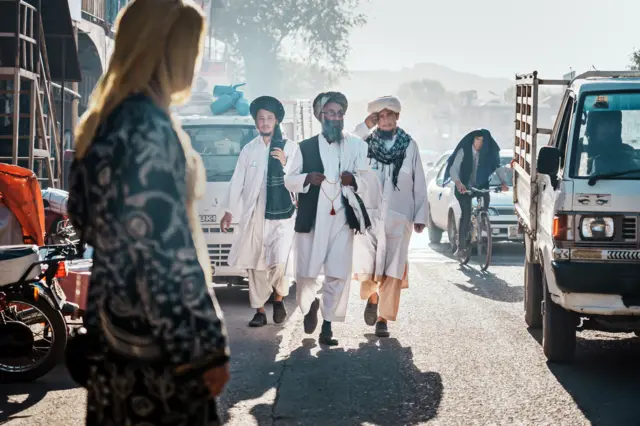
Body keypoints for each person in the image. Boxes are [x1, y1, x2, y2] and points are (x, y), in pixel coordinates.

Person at [67, 1, 230, 424]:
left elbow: (83, 219)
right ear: (168, 51)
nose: (193, 65)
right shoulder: (148, 130)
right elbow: (165, 253)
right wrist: (205, 348)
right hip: (157, 350)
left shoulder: (105, 122)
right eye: (190, 50)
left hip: (114, 337)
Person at [284, 91, 371, 346]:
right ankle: (310, 305)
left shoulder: (356, 145)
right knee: (307, 274)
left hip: (342, 220)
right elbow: (289, 179)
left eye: (339, 113)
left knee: (337, 274)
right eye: (330, 113)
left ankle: (328, 325)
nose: (335, 118)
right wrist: (306, 179)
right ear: (320, 116)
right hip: (312, 220)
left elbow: (369, 180)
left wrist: (354, 180)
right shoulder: (306, 147)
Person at [352, 95, 428, 338]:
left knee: (393, 268)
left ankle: (383, 319)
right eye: (380, 116)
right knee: (367, 264)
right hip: (370, 217)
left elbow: (418, 182)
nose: (385, 120)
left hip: (399, 217)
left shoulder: (410, 146)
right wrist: (365, 125)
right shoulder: (364, 143)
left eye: (389, 115)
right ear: (375, 119)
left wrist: (420, 215)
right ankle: (373, 299)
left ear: (397, 117)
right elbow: (349, 144)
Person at [220, 96, 298, 327]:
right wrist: (228, 211)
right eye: (261, 118)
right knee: (255, 265)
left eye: (269, 118)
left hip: (281, 216)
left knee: (279, 262)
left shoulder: (290, 148)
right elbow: (237, 182)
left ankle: (279, 298)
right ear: (256, 122)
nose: (264, 122)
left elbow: (298, 181)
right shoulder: (248, 150)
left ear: (277, 121)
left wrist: (285, 163)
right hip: (254, 214)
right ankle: (260, 312)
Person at [443, 129, 509, 260]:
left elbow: (497, 167)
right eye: (477, 140)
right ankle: (461, 247)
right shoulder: (464, 150)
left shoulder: (489, 152)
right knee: (466, 214)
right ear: (473, 140)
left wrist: (503, 182)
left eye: (483, 141)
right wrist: (458, 183)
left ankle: (482, 218)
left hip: (480, 184)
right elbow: (454, 169)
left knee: (485, 198)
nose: (480, 143)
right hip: (463, 185)